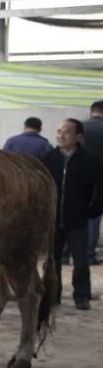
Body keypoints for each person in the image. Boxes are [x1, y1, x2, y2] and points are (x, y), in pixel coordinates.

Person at [42, 119, 103, 310]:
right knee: (52, 259)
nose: (60, 135)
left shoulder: (90, 161)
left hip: (77, 219)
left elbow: (100, 189)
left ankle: (82, 295)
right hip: (53, 218)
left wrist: (92, 211)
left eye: (66, 132)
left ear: (78, 136)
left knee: (81, 260)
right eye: (59, 131)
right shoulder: (49, 159)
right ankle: (52, 294)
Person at [84, 101, 103, 264]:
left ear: (91, 112)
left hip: (78, 175)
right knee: (94, 216)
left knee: (73, 213)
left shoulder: (78, 127)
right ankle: (89, 254)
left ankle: (66, 253)